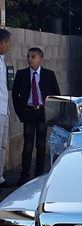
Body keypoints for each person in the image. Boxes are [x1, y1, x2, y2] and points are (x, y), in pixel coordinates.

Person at [12, 47, 60, 184]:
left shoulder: (49, 74)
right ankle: (24, 174)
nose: (29, 59)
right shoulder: (21, 74)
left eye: (33, 57)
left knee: (41, 144)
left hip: (43, 112)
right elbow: (15, 95)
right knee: (28, 144)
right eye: (28, 56)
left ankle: (39, 173)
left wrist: (53, 113)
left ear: (41, 59)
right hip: (28, 112)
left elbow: (56, 94)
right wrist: (21, 113)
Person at [0, 29, 12, 186]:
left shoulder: (2, 59)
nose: (9, 46)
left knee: (2, 145)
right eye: (8, 43)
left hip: (4, 109)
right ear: (2, 43)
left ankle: (0, 177)